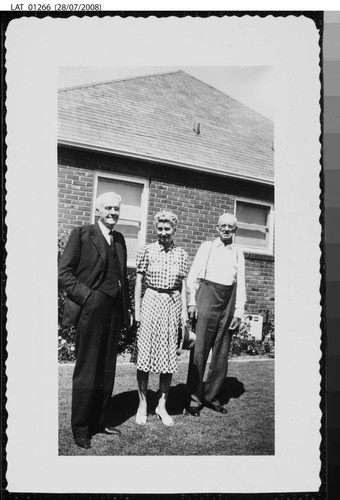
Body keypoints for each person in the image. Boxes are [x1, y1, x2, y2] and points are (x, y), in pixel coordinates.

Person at [58, 192, 130, 449]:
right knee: (87, 370)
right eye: (108, 208)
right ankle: (80, 428)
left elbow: (123, 278)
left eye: (116, 209)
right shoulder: (82, 234)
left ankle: (100, 421)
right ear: (97, 211)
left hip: (113, 312)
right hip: (91, 309)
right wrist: (87, 296)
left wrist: (127, 311)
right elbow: (64, 273)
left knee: (107, 370)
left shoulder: (120, 240)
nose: (113, 212)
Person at [186, 212, 246, 416]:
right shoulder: (207, 247)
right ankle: (194, 399)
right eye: (223, 226)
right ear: (217, 228)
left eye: (231, 226)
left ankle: (211, 396)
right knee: (199, 351)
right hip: (206, 300)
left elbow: (242, 285)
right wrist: (192, 303)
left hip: (227, 304)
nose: (227, 229)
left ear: (235, 230)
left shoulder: (238, 253)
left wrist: (238, 312)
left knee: (221, 354)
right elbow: (192, 277)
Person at [132, 210, 188, 426]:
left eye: (167, 228)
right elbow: (138, 282)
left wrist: (183, 312)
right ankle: (142, 404)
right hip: (150, 302)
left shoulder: (181, 254)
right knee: (145, 355)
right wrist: (137, 310)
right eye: (160, 228)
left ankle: (162, 405)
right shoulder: (146, 250)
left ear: (174, 229)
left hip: (172, 305)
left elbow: (182, 286)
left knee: (168, 357)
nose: (163, 232)